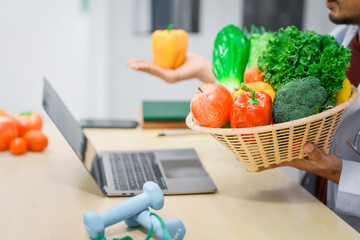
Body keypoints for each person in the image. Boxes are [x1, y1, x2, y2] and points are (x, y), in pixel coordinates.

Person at [127, 0, 360, 231]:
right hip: (314, 199)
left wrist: (336, 171)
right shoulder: (342, 37)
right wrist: (200, 69)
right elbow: (257, 93)